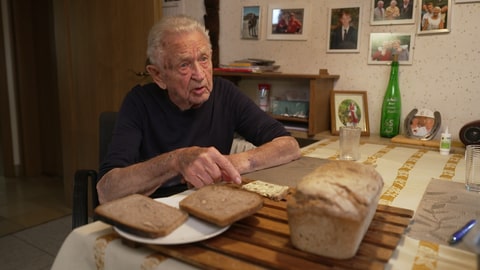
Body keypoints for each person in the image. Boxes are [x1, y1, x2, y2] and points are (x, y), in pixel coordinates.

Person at [96, 15, 301, 203]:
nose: (200, 75)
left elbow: (288, 146)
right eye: (184, 65)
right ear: (158, 75)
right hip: (155, 211)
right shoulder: (139, 102)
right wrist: (175, 161)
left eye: (203, 59)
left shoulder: (224, 93)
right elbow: (107, 191)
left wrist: (229, 164)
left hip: (209, 204)